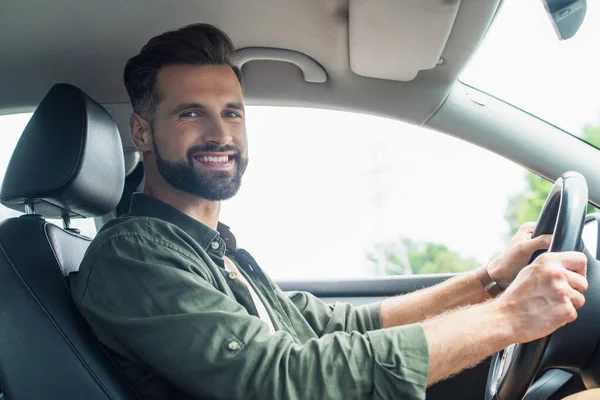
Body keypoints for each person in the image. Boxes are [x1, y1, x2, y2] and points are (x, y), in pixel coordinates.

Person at [69, 23, 588, 400]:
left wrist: (490, 281)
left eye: (232, 112)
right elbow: (283, 379)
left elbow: (346, 323)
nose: (220, 134)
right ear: (142, 132)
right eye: (190, 114)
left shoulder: (214, 251)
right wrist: (507, 318)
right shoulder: (133, 254)